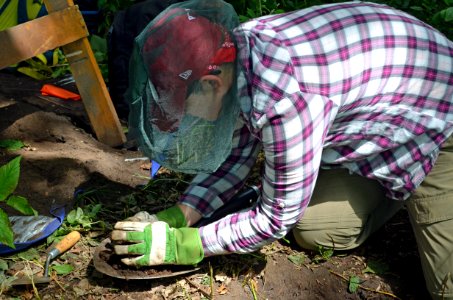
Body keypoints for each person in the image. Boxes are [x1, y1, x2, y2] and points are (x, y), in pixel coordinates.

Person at [110, 1, 453, 298]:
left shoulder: (287, 101)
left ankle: (416, 188)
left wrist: (186, 246)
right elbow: (234, 160)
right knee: (316, 229)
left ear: (211, 84)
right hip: (377, 125)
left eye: (182, 106)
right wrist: (179, 215)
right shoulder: (227, 52)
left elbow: (274, 219)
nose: (182, 118)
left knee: (445, 288)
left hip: (438, 120)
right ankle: (395, 187)